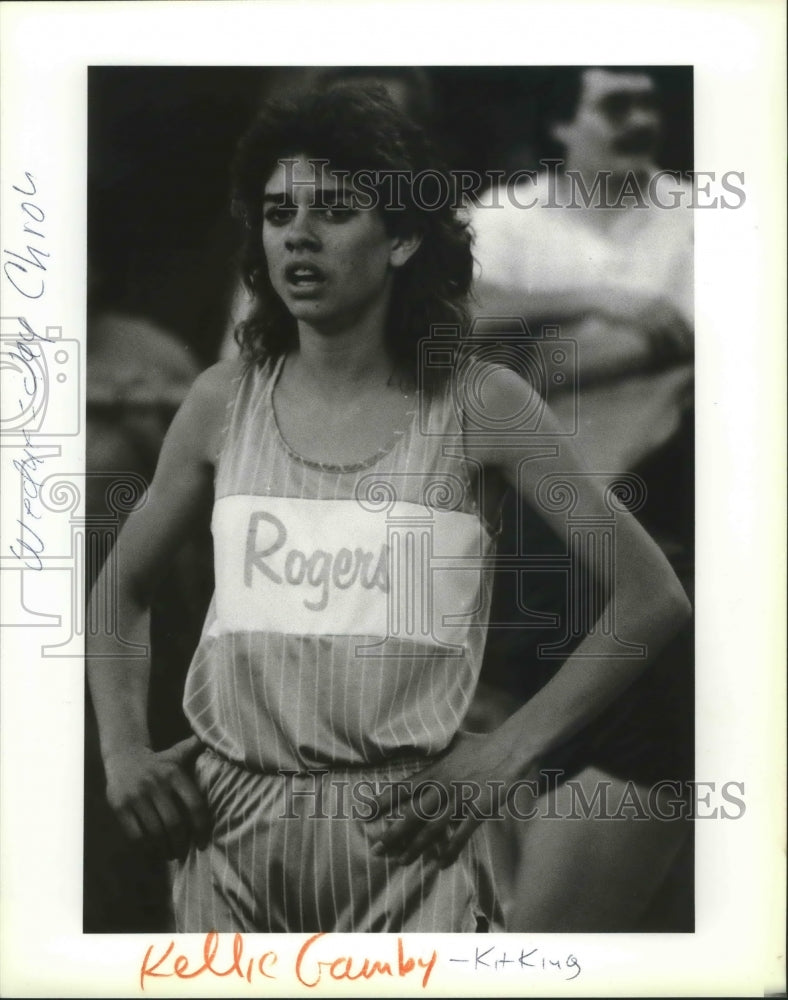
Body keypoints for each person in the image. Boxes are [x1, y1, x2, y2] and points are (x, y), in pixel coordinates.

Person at [87, 84, 691, 934]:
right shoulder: (220, 401)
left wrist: (502, 757)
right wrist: (123, 754)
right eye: (278, 210)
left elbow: (651, 598)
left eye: (335, 210)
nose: (299, 232)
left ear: (403, 237)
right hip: (226, 837)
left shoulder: (485, 404)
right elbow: (120, 590)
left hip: (407, 838)